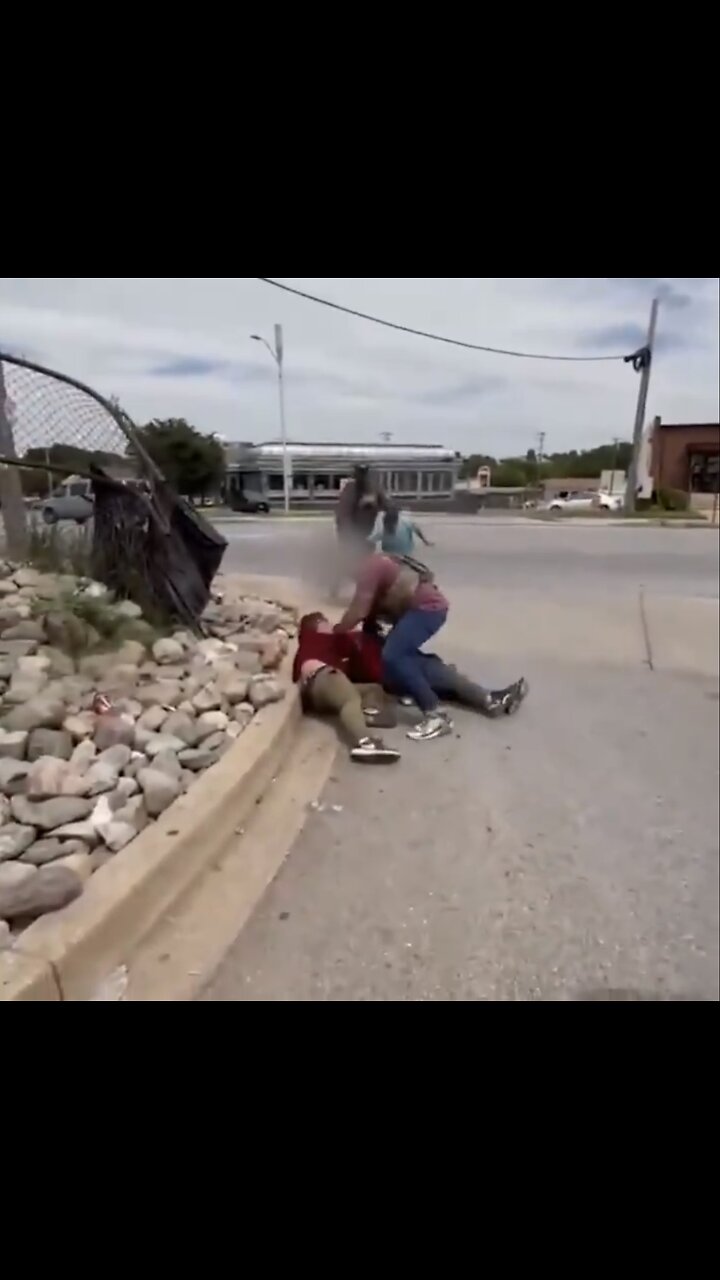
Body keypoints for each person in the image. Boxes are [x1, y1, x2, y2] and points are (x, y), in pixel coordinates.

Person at [335, 549, 451, 743]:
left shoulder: (370, 567)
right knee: (396, 653)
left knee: (394, 655)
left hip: (428, 609)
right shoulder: (377, 563)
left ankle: (436, 714)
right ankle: (411, 690)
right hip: (421, 608)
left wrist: (337, 630)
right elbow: (370, 614)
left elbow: (359, 610)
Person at [293, 613, 400, 765]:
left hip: (318, 689)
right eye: (327, 623)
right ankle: (366, 742)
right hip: (325, 675)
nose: (331, 626)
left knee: (372, 689)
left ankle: (363, 715)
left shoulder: (309, 646)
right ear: (319, 625)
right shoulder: (323, 639)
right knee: (350, 699)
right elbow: (353, 645)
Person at [332, 466, 387, 598]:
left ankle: (362, 592)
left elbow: (385, 504)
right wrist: (348, 535)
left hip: (367, 534)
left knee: (366, 565)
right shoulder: (350, 489)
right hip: (350, 535)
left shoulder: (373, 489)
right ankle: (335, 590)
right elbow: (343, 514)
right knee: (345, 563)